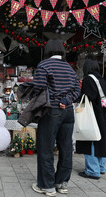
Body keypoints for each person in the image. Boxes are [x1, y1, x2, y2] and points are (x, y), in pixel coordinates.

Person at [31, 39, 81, 196]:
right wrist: (65, 100)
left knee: (46, 148)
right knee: (66, 148)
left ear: (48, 50)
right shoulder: (70, 68)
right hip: (68, 111)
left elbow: (39, 89)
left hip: (51, 110)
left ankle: (47, 186)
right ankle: (61, 183)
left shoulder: (44, 65)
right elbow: (76, 90)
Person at [76, 58, 106, 180]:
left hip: (91, 115)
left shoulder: (88, 79)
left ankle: (92, 171)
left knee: (90, 141)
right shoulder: (101, 79)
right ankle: (100, 167)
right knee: (101, 140)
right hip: (101, 114)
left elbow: (87, 97)